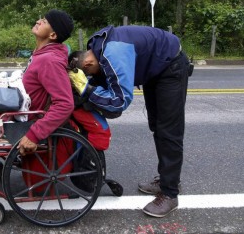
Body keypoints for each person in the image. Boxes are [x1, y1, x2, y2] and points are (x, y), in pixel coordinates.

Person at [67, 25, 191, 218]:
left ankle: (169, 193)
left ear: (88, 64)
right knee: (157, 126)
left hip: (170, 67)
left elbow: (119, 101)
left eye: (89, 73)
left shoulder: (112, 55)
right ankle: (168, 179)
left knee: (168, 131)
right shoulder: (96, 47)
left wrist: (88, 90)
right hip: (154, 68)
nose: (93, 76)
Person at [17, 9, 75, 156]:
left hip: (24, 116)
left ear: (53, 35)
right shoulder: (41, 54)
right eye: (41, 19)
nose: (38, 21)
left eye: (45, 22)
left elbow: (65, 104)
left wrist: (34, 134)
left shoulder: (49, 60)